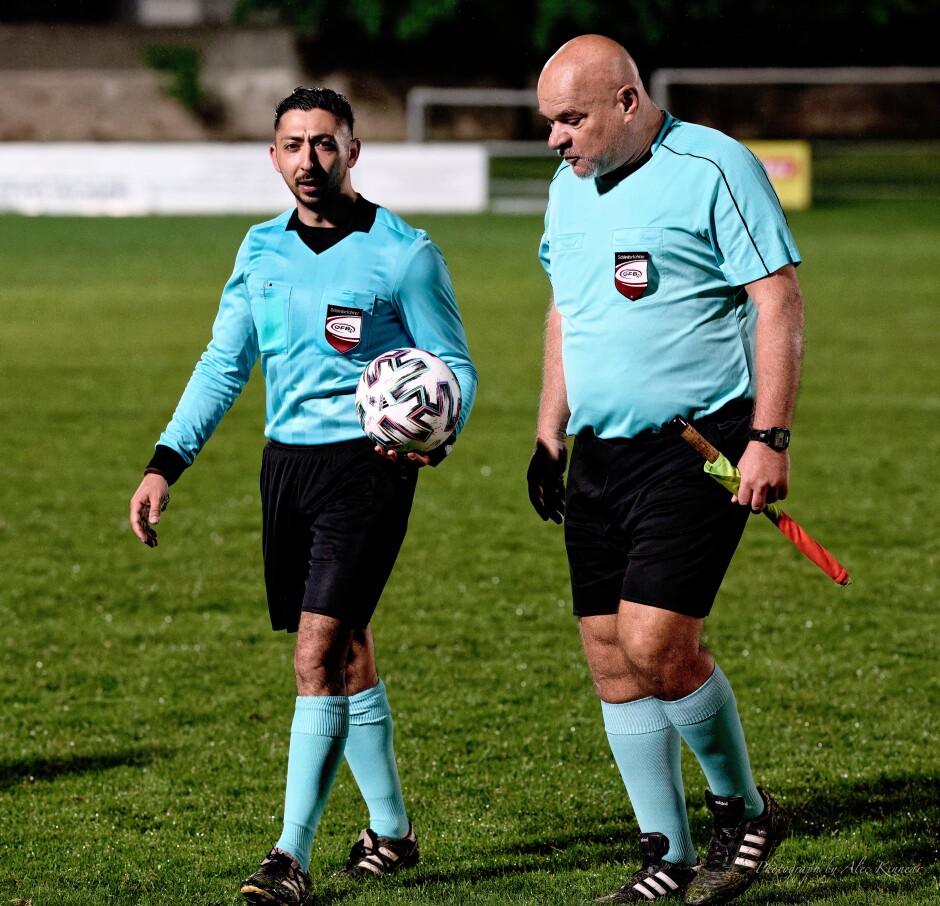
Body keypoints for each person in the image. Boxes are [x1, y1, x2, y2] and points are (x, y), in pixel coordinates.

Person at [128, 86, 477, 906]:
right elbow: (223, 366)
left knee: (315, 654)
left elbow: (453, 364)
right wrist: (164, 462)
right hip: (285, 469)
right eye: (293, 145)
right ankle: (392, 833)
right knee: (347, 648)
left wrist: (435, 427)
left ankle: (288, 857)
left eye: (325, 144)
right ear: (274, 155)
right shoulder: (258, 251)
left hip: (368, 470)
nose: (309, 160)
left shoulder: (404, 254)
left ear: (353, 151)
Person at [527, 35, 803, 906]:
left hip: (700, 446)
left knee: (656, 643)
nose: (556, 138)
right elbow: (565, 314)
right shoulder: (565, 194)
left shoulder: (714, 165)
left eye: (570, 118)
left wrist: (772, 437)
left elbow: (778, 298)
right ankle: (668, 857)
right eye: (548, 122)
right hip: (601, 456)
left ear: (627, 102)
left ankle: (744, 807)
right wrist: (548, 435)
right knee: (611, 661)